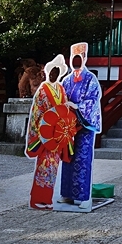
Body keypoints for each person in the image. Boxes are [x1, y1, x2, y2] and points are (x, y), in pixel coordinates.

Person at [56, 42, 102, 211]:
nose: (76, 61)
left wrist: (77, 106)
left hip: (84, 125)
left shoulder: (91, 79)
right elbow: (60, 98)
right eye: (73, 58)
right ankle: (67, 194)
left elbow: (93, 100)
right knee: (68, 158)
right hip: (68, 126)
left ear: (84, 59)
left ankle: (83, 196)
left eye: (78, 58)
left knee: (83, 159)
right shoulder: (66, 80)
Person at [25, 54, 72, 209]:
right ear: (48, 72)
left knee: (52, 169)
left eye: (57, 72)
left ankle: (47, 199)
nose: (55, 75)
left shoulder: (61, 89)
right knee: (43, 167)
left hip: (56, 136)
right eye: (53, 72)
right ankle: (37, 199)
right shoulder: (42, 90)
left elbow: (64, 110)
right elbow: (36, 113)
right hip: (45, 135)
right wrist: (42, 130)